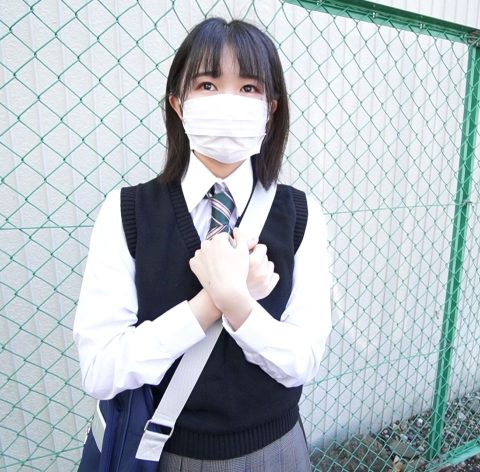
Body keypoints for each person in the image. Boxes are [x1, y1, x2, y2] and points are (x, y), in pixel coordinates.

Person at [74, 17, 331, 472]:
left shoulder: (301, 214)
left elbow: (303, 361)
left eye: (249, 88)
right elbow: (101, 368)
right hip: (166, 454)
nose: (228, 101)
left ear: (271, 108)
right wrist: (212, 303)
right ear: (178, 103)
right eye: (208, 85)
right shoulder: (127, 212)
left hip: (277, 451)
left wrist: (240, 305)